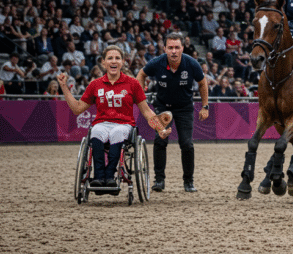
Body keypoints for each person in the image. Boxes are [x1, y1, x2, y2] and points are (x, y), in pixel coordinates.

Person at [57, 45, 170, 191]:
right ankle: (98, 176)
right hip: (102, 123)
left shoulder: (133, 84)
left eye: (117, 58)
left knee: (117, 133)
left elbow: (147, 111)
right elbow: (77, 108)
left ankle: (110, 175)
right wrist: (64, 87)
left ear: (123, 62)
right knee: (96, 132)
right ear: (103, 62)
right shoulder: (95, 85)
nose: (113, 61)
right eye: (109, 58)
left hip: (124, 124)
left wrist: (160, 128)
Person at [136, 32, 209, 193]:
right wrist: (140, 90)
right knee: (160, 141)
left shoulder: (191, 64)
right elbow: (141, 74)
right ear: (165, 48)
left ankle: (188, 182)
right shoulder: (157, 62)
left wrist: (205, 106)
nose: (174, 51)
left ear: (183, 48)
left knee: (187, 144)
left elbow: (203, 83)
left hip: (184, 108)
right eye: (170, 48)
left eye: (177, 47)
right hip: (162, 107)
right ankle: (159, 180)